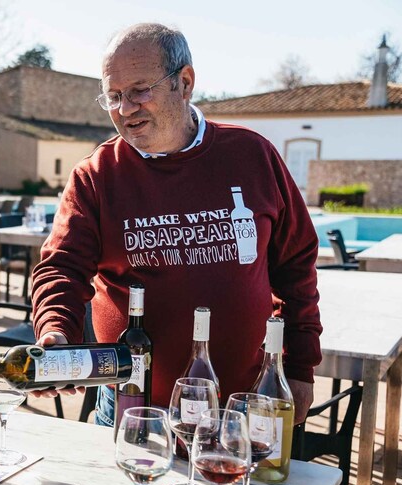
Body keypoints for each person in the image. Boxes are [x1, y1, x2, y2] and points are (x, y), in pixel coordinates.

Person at [31, 23, 321, 426]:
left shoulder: (252, 155)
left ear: (184, 83)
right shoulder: (97, 175)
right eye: (113, 96)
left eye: (139, 90)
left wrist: (301, 365)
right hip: (133, 406)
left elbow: (296, 265)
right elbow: (61, 267)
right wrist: (55, 330)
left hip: (243, 403)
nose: (125, 108)